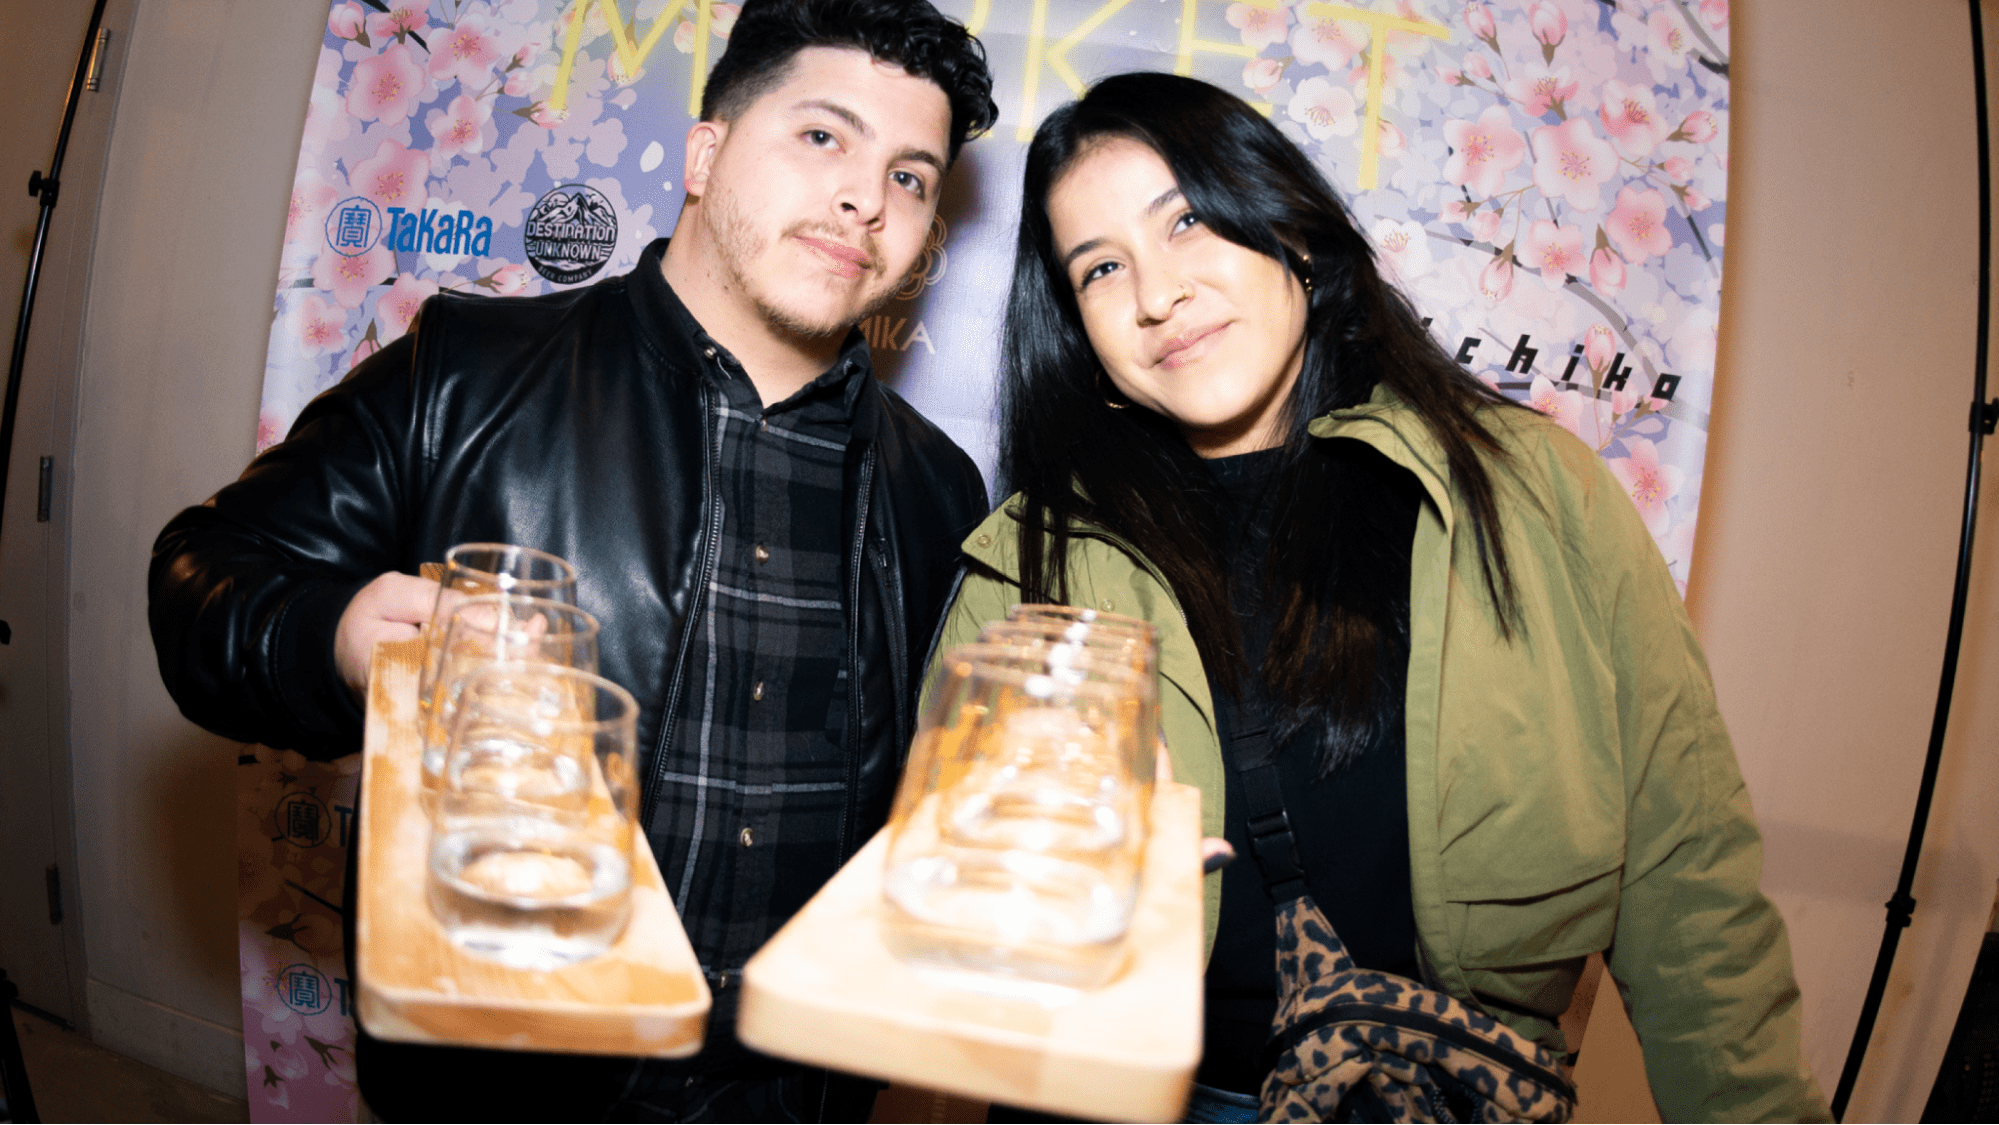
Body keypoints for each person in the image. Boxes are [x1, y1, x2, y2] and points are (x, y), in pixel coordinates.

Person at [149, 2, 996, 1119]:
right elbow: (203, 574)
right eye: (823, 138)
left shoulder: (937, 489)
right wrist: (336, 635)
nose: (865, 199)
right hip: (510, 1073)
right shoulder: (466, 377)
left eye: (911, 177)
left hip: (797, 1092)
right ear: (705, 153)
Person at [931, 72, 1830, 1123]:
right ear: (1086, 343)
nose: (1155, 294)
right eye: (1099, 268)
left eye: (1186, 222)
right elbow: (958, 940)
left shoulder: (1534, 495)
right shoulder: (1029, 567)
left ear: (1293, 238)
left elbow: (1689, 882)